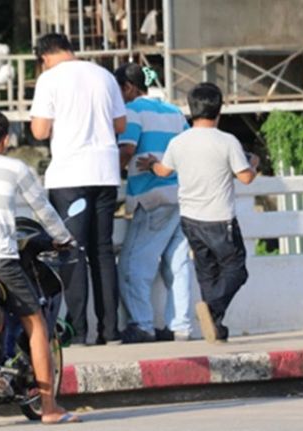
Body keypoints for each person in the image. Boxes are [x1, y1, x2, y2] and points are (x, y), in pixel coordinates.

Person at [0, 110, 80, 424]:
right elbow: (43, 210)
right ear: (6, 140)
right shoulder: (15, 168)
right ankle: (49, 409)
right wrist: (62, 238)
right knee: (37, 324)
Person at [137, 82, 259, 344]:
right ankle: (212, 308)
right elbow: (246, 177)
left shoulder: (178, 142)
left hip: (190, 220)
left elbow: (163, 172)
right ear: (219, 110)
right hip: (220, 219)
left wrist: (151, 164)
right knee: (237, 271)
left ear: (190, 110)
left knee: (207, 272)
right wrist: (254, 163)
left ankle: (215, 327)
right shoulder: (227, 141)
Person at [30, 33, 127, 345]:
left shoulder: (49, 79)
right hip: (106, 172)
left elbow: (40, 129)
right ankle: (110, 331)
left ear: (43, 57)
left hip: (70, 176)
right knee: (102, 251)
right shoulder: (104, 75)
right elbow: (120, 125)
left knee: (73, 251)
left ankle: (78, 331)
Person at [114, 63, 194, 344]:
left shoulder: (132, 111)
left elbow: (127, 149)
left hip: (152, 196)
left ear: (128, 88)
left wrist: (109, 174)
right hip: (180, 194)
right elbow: (187, 148)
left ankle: (143, 324)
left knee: (133, 265)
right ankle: (181, 327)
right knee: (177, 264)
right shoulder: (173, 111)